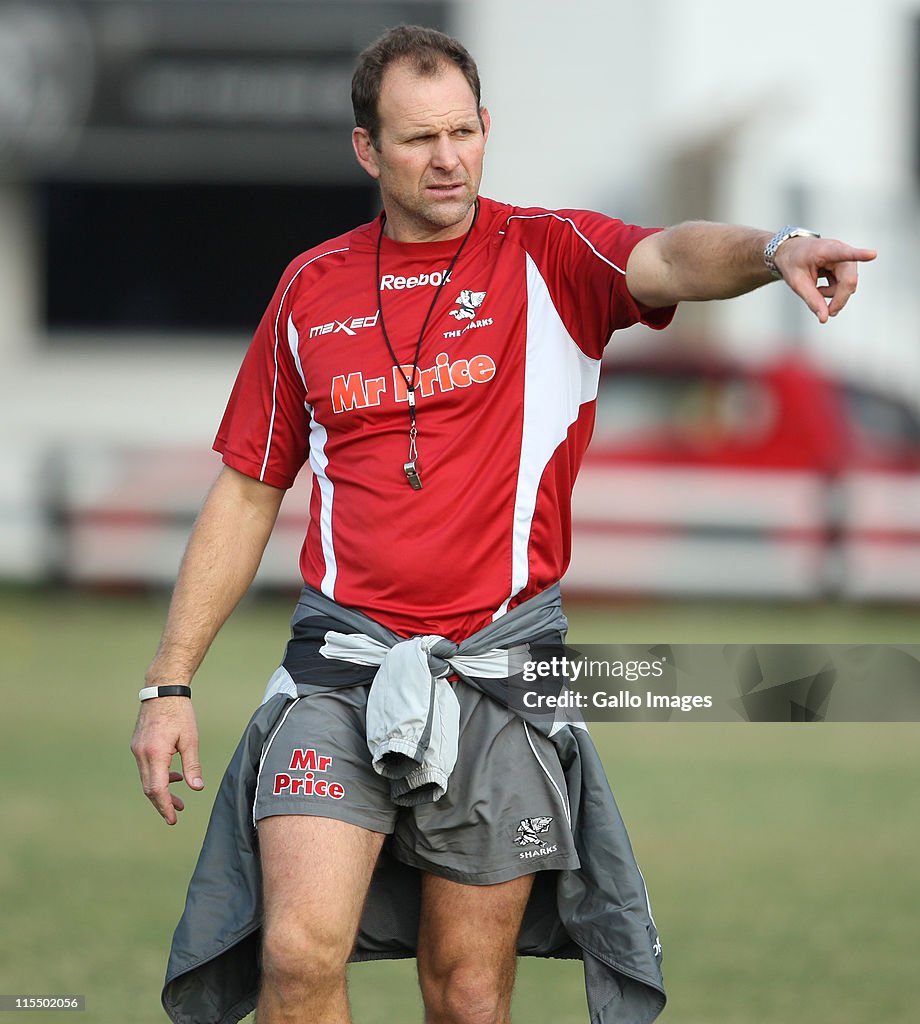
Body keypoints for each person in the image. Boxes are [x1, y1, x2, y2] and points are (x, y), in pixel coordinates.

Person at [131, 24, 876, 1024]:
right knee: (297, 956)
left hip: (501, 674)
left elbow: (670, 258)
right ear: (366, 150)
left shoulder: (549, 254)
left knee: (470, 993)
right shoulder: (310, 289)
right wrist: (170, 679)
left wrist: (774, 249)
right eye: (415, 139)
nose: (446, 158)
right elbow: (246, 491)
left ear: (485, 129)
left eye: (461, 132)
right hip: (338, 667)